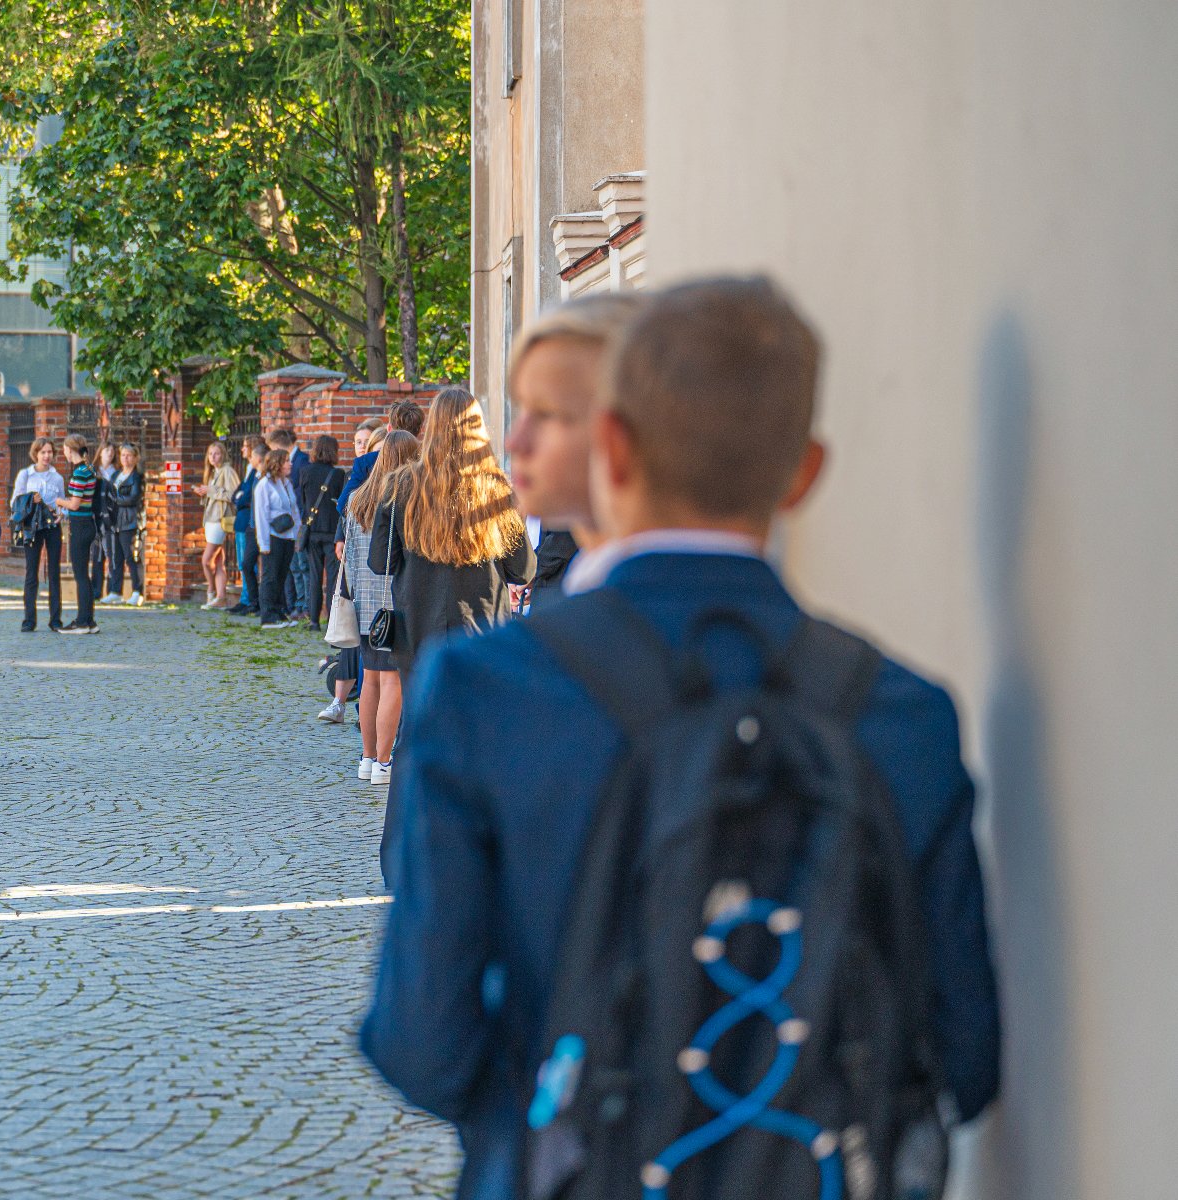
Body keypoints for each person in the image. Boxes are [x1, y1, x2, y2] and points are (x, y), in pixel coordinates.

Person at [361, 281, 1001, 1197]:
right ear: (805, 472)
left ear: (612, 445)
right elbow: (964, 1055)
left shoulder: (485, 692)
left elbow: (420, 1041)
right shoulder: (903, 712)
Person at [368, 387, 534, 678]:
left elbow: (380, 562)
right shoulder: (498, 491)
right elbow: (522, 570)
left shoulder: (399, 486)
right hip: (483, 627)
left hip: (418, 624)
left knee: (423, 717)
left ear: (431, 428)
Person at [338, 430, 418, 781]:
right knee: (392, 683)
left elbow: (350, 556)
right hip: (394, 601)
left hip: (364, 604)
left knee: (369, 680)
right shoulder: (404, 499)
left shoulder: (356, 498)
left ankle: (368, 757)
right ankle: (385, 761)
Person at [13, 438, 66, 632]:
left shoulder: (57, 477)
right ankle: (29, 619)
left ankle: (55, 619)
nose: (46, 456)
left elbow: (63, 501)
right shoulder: (25, 475)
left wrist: (62, 513)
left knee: (53, 572)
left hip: (52, 526)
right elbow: (15, 502)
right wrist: (30, 499)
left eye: (50, 452)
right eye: (43, 452)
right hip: (32, 527)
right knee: (31, 573)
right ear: (36, 453)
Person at [295, 433, 346, 630]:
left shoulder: (305, 472)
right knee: (333, 579)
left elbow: (304, 502)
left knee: (315, 577)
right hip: (333, 533)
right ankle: (332, 621)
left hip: (313, 530)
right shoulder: (338, 474)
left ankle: (314, 620)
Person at [53, 434, 101, 634]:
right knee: (84, 575)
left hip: (80, 526)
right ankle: (89, 620)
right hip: (86, 523)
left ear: (70, 450)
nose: (63, 452)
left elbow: (75, 503)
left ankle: (82, 622)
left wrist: (59, 502)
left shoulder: (80, 473)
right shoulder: (88, 469)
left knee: (80, 575)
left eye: (64, 449)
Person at [340, 400, 423, 513]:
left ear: (388, 429)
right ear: (419, 430)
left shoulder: (366, 461)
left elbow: (343, 505)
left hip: (375, 527)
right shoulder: (426, 461)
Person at [252, 447, 302, 630]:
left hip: (287, 536)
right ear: (277, 464)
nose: (290, 464)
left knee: (282, 575)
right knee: (270, 576)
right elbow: (261, 516)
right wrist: (263, 543)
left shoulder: (286, 483)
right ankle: (267, 615)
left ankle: (278, 611)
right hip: (273, 536)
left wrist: (296, 536)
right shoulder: (264, 485)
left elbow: (294, 510)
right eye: (287, 460)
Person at [192, 441, 239, 609]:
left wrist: (211, 491)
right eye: (210, 454)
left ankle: (211, 591)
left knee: (206, 560)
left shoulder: (227, 471)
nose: (213, 457)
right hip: (210, 519)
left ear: (223, 454)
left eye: (217, 453)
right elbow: (213, 495)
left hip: (220, 520)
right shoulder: (212, 472)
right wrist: (204, 493)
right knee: (219, 561)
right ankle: (221, 597)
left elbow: (234, 494)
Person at [229, 436, 265, 615]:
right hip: (242, 519)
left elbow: (245, 496)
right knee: (244, 562)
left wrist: (239, 498)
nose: (242, 450)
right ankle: (246, 598)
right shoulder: (249, 469)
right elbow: (237, 493)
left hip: (248, 522)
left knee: (248, 563)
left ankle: (250, 599)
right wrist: (239, 498)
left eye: (245, 447)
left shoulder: (255, 471)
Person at [106, 443, 146, 604]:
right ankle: (116, 591)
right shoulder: (116, 475)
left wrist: (115, 499)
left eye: (129, 455)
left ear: (136, 458)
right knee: (115, 557)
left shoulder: (137, 477)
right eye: (123, 455)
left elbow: (133, 497)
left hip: (129, 521)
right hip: (114, 520)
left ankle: (137, 591)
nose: (125, 458)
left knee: (131, 557)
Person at [93, 441, 119, 601]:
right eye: (107, 450)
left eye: (112, 451)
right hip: (96, 517)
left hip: (111, 518)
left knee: (112, 554)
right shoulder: (94, 472)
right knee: (96, 555)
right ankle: (96, 590)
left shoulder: (116, 473)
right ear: (100, 452)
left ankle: (112, 590)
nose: (110, 453)